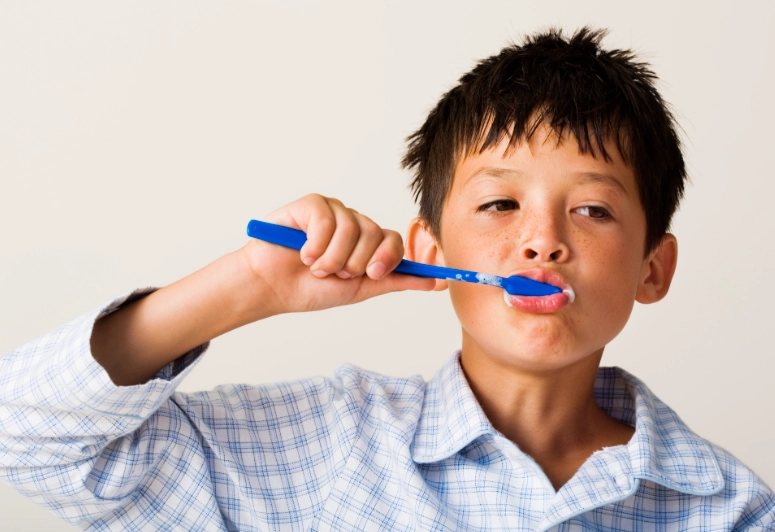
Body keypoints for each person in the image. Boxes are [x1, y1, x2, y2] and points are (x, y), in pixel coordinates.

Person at [1, 27, 772, 531]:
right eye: (501, 203)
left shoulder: (728, 508)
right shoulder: (323, 449)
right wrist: (251, 287)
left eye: (593, 210)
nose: (541, 242)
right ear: (427, 247)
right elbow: (23, 437)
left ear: (652, 268)